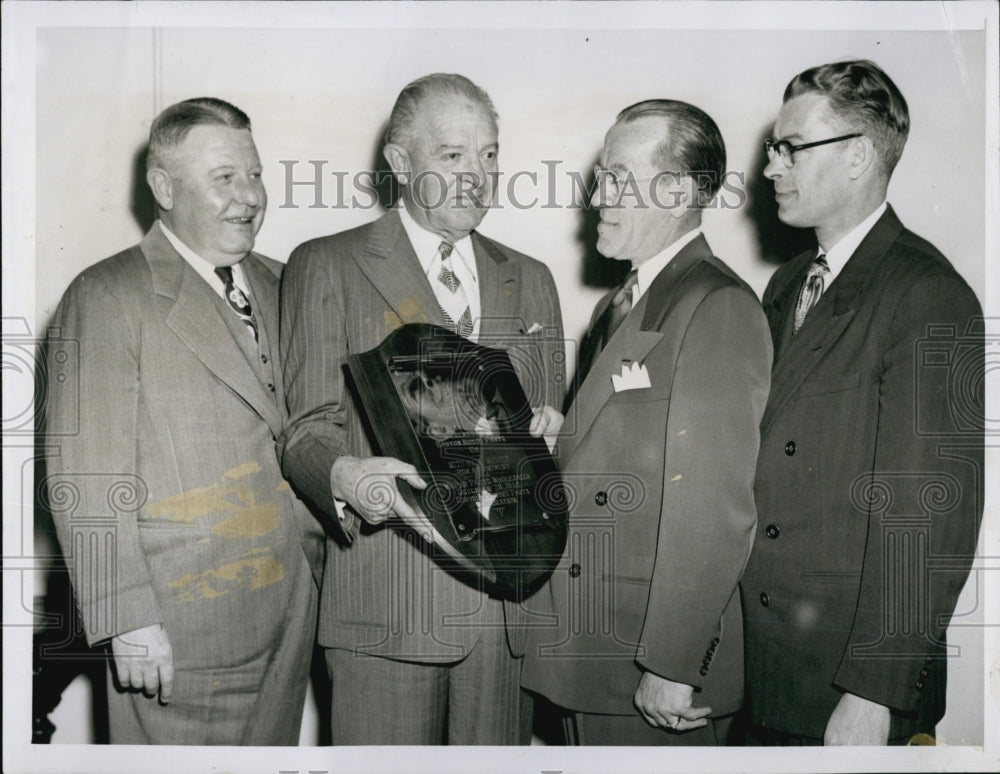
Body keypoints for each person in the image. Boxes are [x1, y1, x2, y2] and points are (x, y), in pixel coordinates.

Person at [278, 72, 565, 745]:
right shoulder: (327, 265)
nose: (477, 175)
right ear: (400, 161)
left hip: (505, 622)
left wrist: (552, 433)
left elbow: (545, 438)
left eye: (489, 154)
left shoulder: (533, 280)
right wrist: (344, 475)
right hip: (385, 610)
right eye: (453, 155)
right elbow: (304, 431)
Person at [44, 97, 324, 745]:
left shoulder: (288, 284)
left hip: (290, 613)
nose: (249, 196)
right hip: (178, 628)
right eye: (224, 178)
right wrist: (125, 619)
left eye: (254, 175)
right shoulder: (106, 295)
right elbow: (85, 477)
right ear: (164, 187)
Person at [741, 59, 984, 746]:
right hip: (766, 666)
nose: (770, 167)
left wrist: (874, 693)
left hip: (845, 686)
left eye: (791, 147)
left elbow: (928, 519)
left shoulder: (927, 294)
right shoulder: (787, 284)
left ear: (857, 157)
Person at [520, 99, 772, 745]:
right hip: (592, 651)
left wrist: (673, 660)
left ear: (680, 190)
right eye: (601, 174)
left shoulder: (714, 306)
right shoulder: (623, 303)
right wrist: (564, 439)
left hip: (648, 667)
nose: (597, 195)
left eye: (618, 177)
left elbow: (715, 507)